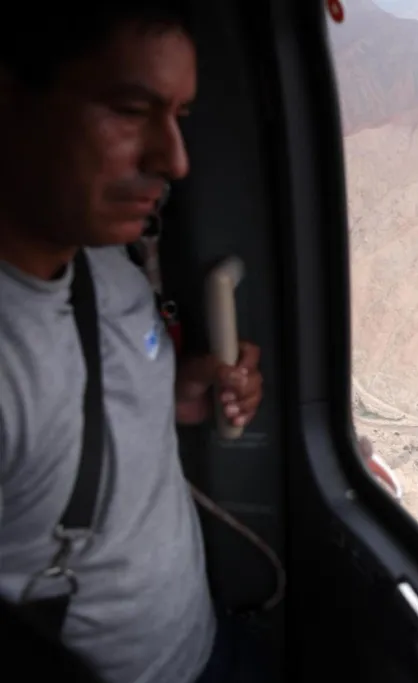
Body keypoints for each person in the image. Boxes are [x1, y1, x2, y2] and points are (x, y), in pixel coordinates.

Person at [0, 2, 267, 682]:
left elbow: (89, 411)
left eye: (178, 117)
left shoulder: (102, 265)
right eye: (129, 109)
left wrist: (183, 391)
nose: (175, 160)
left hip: (202, 640)